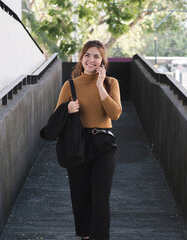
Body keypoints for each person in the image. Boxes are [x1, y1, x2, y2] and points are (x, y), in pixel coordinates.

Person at [55, 40, 122, 240]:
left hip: (104, 144)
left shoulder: (111, 83)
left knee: (100, 198)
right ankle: (85, 236)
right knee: (80, 195)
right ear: (81, 58)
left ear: (102, 61)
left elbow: (115, 113)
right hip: (78, 144)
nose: (91, 60)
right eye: (87, 55)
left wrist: (100, 87)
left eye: (96, 56)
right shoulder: (70, 85)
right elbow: (56, 119)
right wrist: (66, 109)